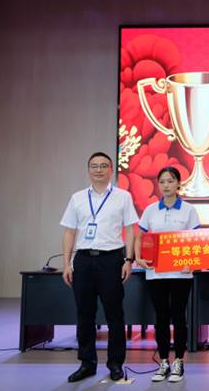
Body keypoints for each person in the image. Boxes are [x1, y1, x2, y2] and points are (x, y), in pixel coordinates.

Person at [60, 152, 139, 383]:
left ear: (111, 170)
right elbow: (69, 232)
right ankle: (87, 364)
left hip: (111, 260)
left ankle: (115, 364)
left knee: (115, 314)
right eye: (94, 166)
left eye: (104, 166)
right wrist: (66, 264)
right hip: (83, 260)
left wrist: (129, 260)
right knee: (84, 314)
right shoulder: (77, 198)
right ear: (88, 170)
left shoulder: (123, 197)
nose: (98, 170)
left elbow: (131, 229)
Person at [134, 166, 200, 383]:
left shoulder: (189, 210)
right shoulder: (150, 210)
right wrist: (138, 257)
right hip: (155, 273)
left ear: (178, 184)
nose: (166, 185)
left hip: (181, 274)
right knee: (161, 318)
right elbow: (140, 238)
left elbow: (196, 241)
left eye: (170, 181)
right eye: (162, 181)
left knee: (179, 317)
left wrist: (192, 263)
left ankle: (179, 361)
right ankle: (163, 361)